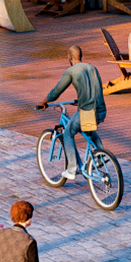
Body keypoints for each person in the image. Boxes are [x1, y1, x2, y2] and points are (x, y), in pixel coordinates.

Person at [39, 45, 105, 181]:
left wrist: (44, 101)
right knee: (88, 130)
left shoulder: (71, 71)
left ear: (69, 57)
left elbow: (56, 91)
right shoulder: (92, 68)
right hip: (100, 111)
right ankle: (101, 153)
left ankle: (72, 168)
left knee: (68, 133)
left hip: (86, 111)